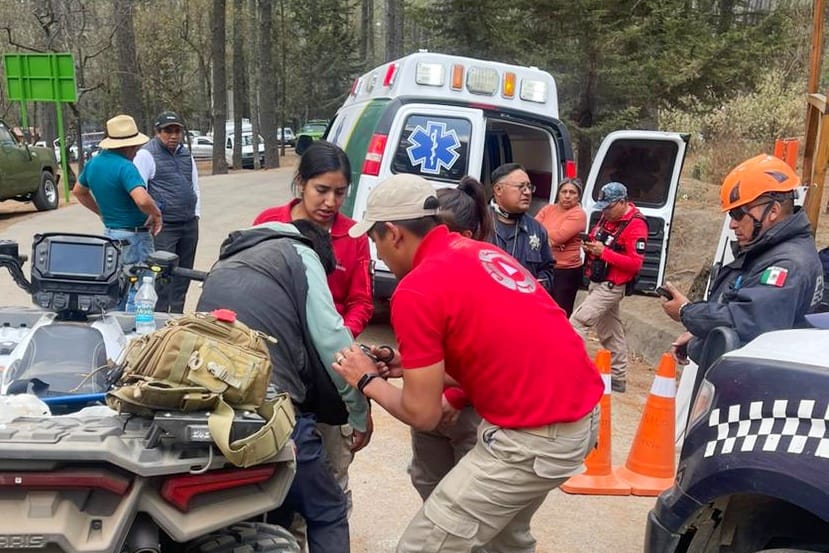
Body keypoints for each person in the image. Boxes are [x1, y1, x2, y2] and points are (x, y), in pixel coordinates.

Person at [332, 173, 603, 553]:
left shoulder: (417, 288)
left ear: (393, 233)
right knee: (503, 541)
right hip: (580, 416)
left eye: (376, 242)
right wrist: (410, 365)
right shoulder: (479, 252)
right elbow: (499, 350)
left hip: (535, 435)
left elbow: (423, 413)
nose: (379, 255)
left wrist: (366, 380)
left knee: (422, 546)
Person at [195, 219, 371, 553]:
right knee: (328, 510)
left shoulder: (228, 261)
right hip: (271, 414)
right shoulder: (300, 252)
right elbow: (332, 339)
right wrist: (359, 414)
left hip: (209, 419)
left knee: (270, 512)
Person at [252, 139, 373, 515]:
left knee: (331, 463)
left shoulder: (353, 236)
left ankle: (331, 518)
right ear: (301, 183)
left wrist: (339, 337)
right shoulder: (269, 223)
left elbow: (361, 302)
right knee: (273, 463)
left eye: (340, 192)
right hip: (277, 362)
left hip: (331, 364)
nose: (331, 202)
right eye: (322, 190)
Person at [661, 154, 823, 365]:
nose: (732, 224)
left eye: (738, 213)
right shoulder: (769, 252)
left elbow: (750, 321)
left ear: (773, 211)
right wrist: (700, 336)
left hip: (755, 378)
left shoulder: (787, 265)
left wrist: (686, 312)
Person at [407, 176, 490, 501]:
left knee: (468, 500)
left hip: (470, 411)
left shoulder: (482, 274)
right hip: (431, 405)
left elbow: (491, 356)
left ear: (464, 236)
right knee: (428, 485)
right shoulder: (422, 277)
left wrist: (458, 395)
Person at [570, 181, 647, 393]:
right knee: (610, 331)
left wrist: (603, 252)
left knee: (578, 321)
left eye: (609, 207)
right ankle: (617, 376)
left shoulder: (636, 225)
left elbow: (635, 263)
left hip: (613, 285)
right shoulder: (608, 217)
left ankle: (570, 370)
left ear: (622, 202)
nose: (605, 211)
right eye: (603, 207)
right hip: (598, 280)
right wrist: (590, 245)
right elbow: (600, 238)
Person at [73, 114, 162, 268]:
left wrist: (101, 212)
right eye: (135, 147)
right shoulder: (126, 167)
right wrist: (156, 214)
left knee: (116, 277)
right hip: (134, 237)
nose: (136, 152)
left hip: (111, 234)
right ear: (128, 147)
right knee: (141, 278)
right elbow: (142, 199)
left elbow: (79, 192)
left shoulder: (93, 164)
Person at [133, 111, 201, 313]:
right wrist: (151, 215)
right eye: (167, 131)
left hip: (189, 223)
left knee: (184, 274)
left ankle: (178, 315)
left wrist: (196, 213)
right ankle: (160, 316)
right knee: (163, 275)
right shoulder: (146, 154)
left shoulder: (185, 154)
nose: (173, 135)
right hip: (165, 226)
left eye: (177, 131)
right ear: (158, 132)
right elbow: (139, 189)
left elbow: (194, 185)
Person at [488, 163, 556, 293]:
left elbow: (547, 269)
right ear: (498, 189)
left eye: (529, 187)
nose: (527, 192)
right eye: (521, 187)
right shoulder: (478, 223)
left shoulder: (537, 230)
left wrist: (539, 285)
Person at [535, 178, 588, 316]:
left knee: (560, 312)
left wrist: (544, 236)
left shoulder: (578, 214)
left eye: (572, 192)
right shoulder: (548, 209)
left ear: (578, 196)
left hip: (566, 270)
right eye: (564, 191)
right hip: (544, 267)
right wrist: (550, 238)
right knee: (541, 309)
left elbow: (559, 237)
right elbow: (533, 231)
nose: (567, 196)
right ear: (558, 193)